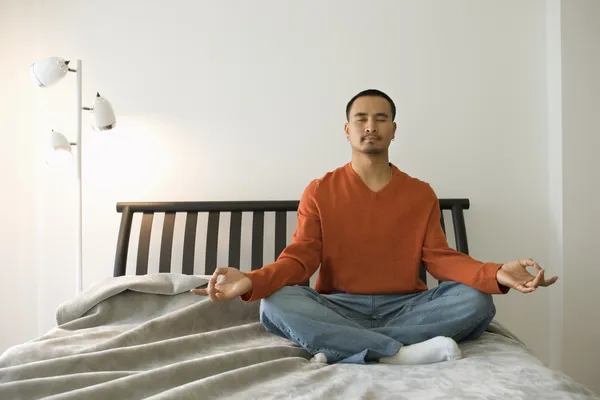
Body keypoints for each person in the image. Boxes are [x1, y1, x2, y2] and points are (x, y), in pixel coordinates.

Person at [192, 89, 558, 365]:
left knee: (477, 299)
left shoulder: (420, 193)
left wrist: (496, 273)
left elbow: (442, 260)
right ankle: (399, 353)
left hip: (408, 305)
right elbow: (300, 260)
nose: (371, 126)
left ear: (394, 130)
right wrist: (253, 280)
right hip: (339, 306)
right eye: (361, 118)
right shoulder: (319, 190)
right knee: (276, 302)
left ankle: (347, 347)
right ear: (347, 129)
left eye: (381, 118)